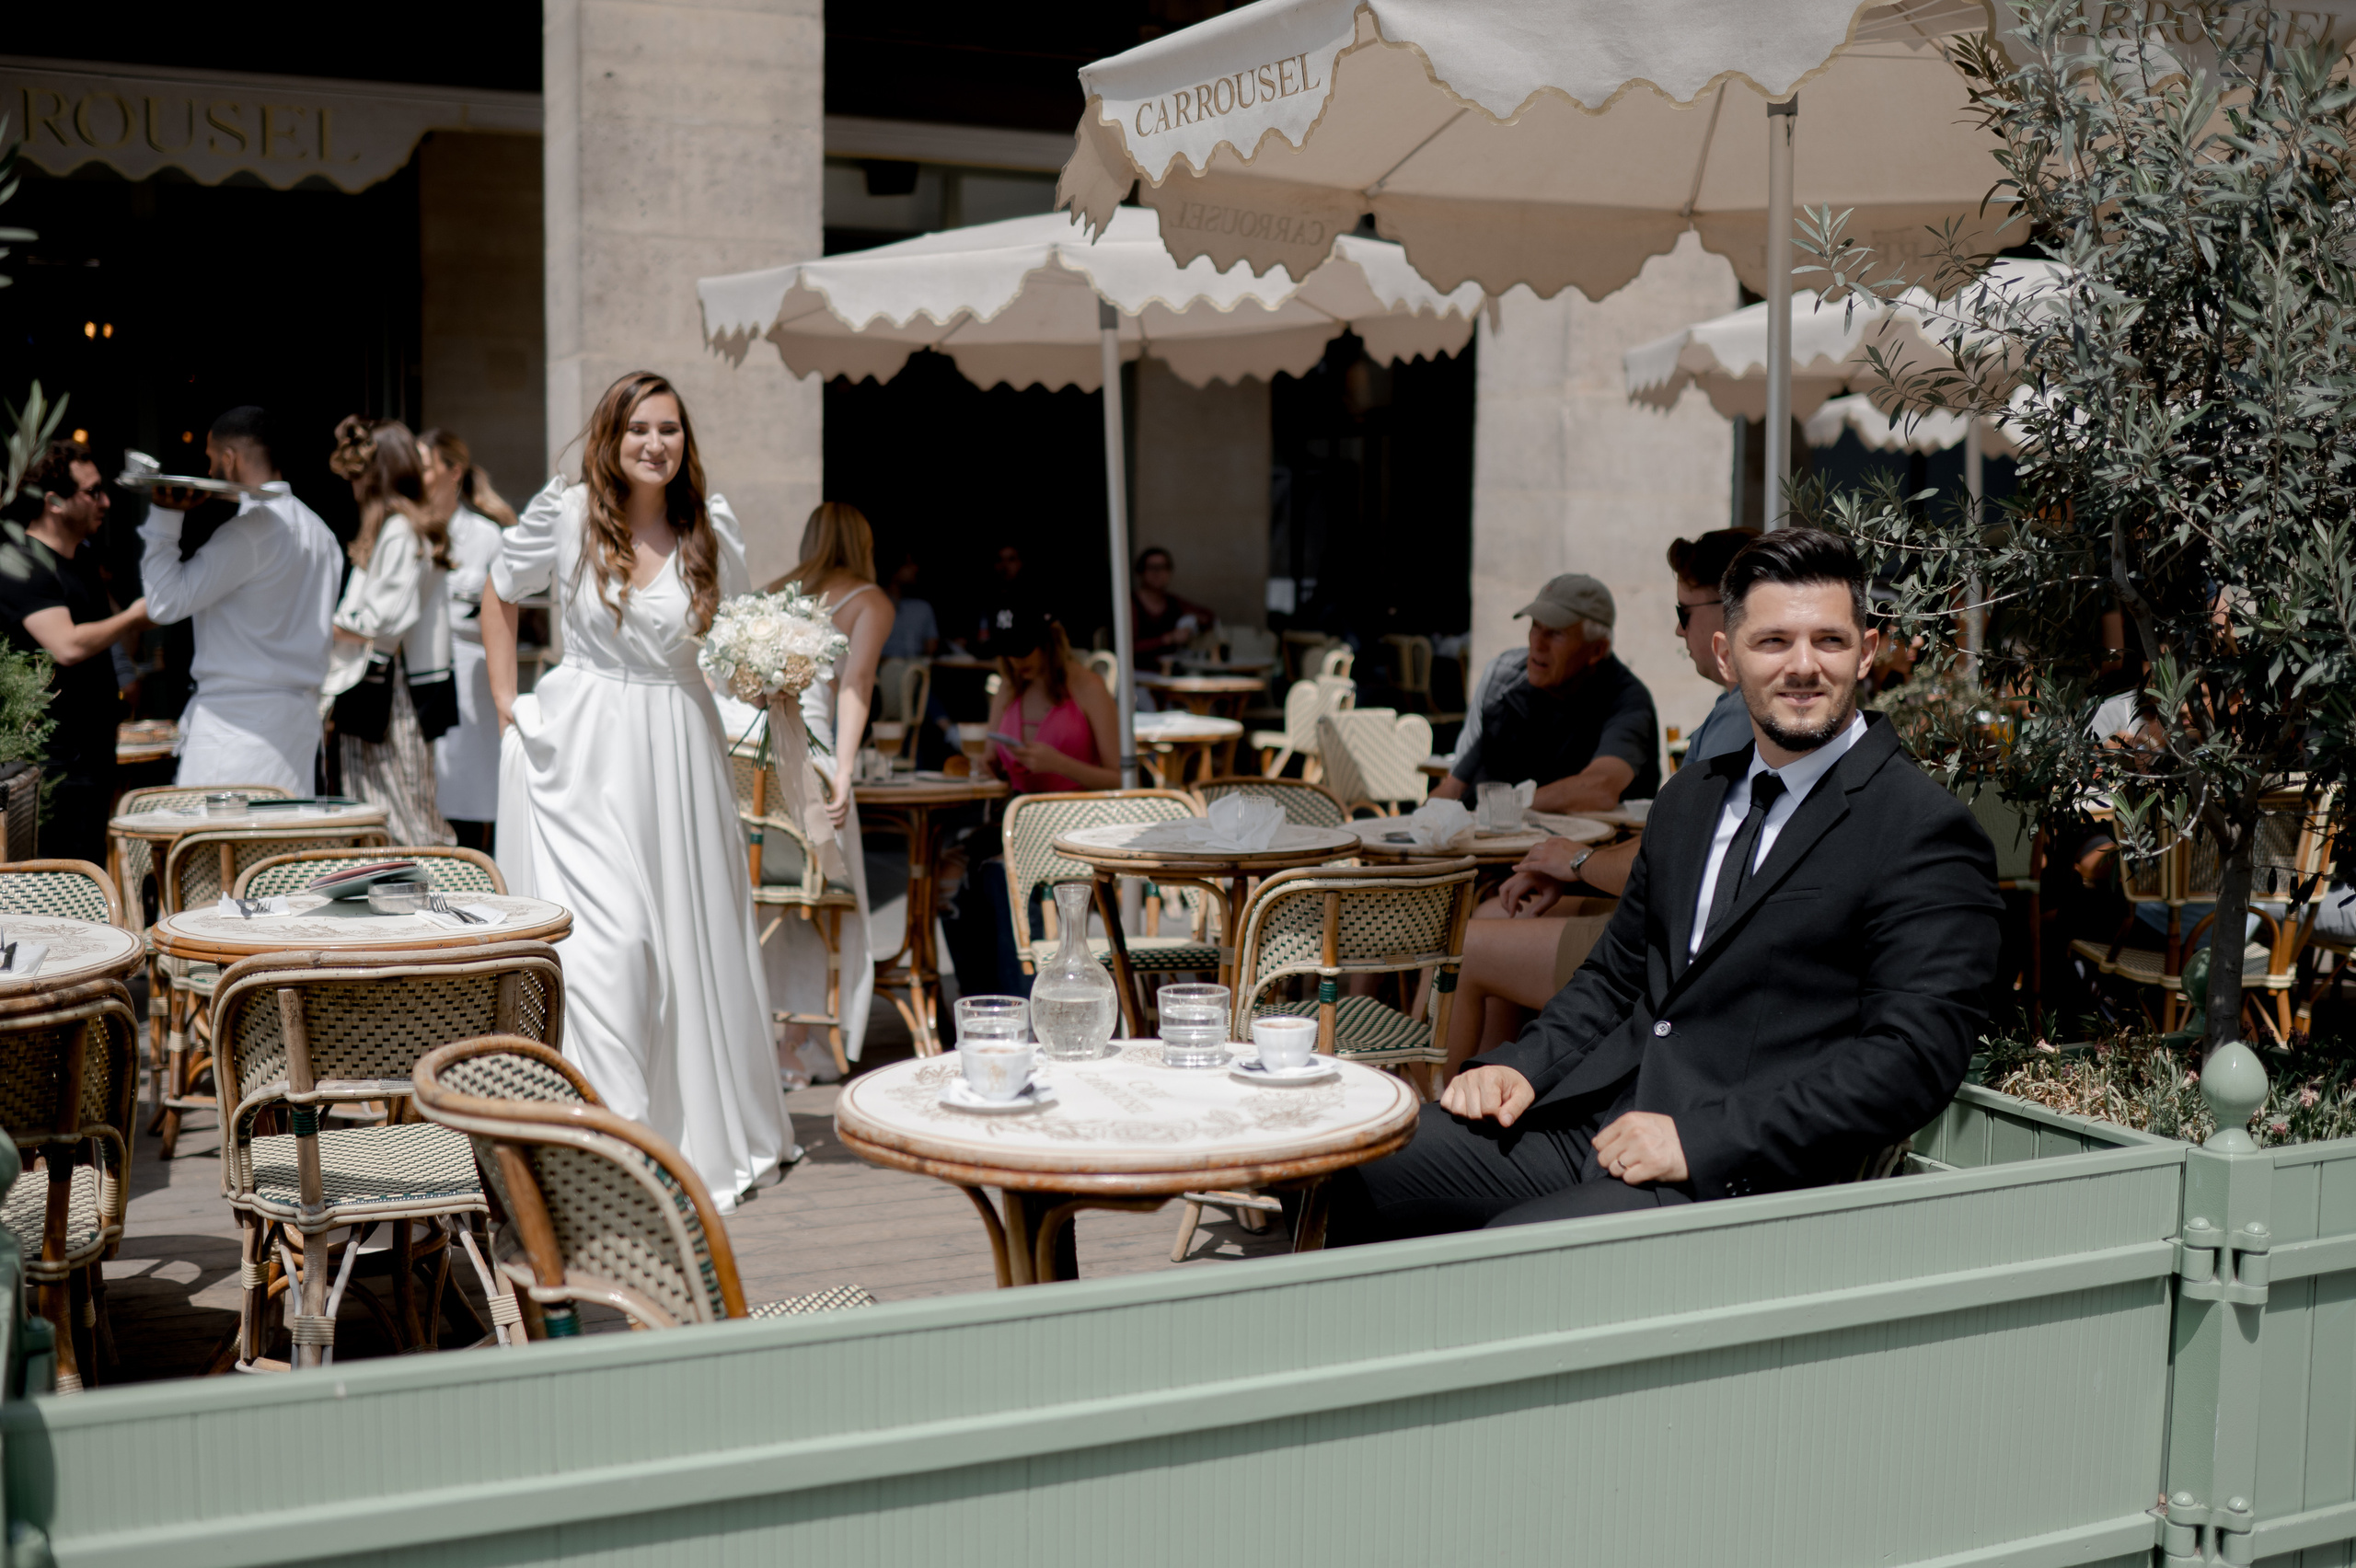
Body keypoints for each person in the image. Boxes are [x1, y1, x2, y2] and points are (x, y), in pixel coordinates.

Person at [1330, 529, 2001, 1240]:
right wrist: (1522, 1066)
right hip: (1595, 1122)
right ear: (1725, 653)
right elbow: (1615, 979)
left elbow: (1911, 1060)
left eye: (1828, 642)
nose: (1803, 666)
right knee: (1345, 1163)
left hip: (1738, 1172)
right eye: (1773, 642)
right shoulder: (1690, 800)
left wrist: (1701, 1139)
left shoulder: (1921, 828)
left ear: (1865, 652)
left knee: (1511, 1255)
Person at [481, 369, 793, 1211]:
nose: (656, 444)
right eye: (639, 430)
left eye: (671, 430)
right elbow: (500, 591)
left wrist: (775, 671)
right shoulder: (570, 514)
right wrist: (507, 703)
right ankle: (616, 1143)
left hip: (681, 757)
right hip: (583, 756)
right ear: (611, 439)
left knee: (686, 949)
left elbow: (733, 648)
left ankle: (683, 1133)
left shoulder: (709, 531)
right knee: (611, 952)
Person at [1438, 530, 1759, 1071]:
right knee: (1494, 915)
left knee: (1466, 945)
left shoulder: (1734, 715)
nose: (1678, 629)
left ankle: (1439, 1125)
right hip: (1680, 931)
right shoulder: (1508, 685)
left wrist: (1580, 863)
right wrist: (1569, 868)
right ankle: (1484, 1094)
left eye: (1683, 612)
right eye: (1534, 627)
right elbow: (1678, 841)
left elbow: (1669, 854)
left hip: (1673, 953)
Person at [140, 406, 340, 793]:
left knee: (219, 852)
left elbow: (164, 603)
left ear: (229, 459)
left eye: (212, 461)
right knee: (280, 850)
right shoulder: (321, 533)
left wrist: (164, 518)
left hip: (236, 731)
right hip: (295, 724)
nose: (211, 472)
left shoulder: (252, 530)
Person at [761, 502, 894, 1082]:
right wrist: (843, 770)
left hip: (753, 764)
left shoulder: (773, 593)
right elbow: (856, 684)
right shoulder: (869, 601)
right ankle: (804, 1037)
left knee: (766, 899)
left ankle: (769, 1034)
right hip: (809, 764)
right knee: (828, 901)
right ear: (864, 543)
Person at [0, 440, 148, 863]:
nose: (105, 502)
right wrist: (135, 617)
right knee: (55, 883)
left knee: (90, 873)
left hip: (95, 755)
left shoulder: (83, 559)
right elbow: (66, 645)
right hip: (48, 767)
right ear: (54, 502)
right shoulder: (21, 564)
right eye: (93, 492)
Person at [324, 419, 456, 847]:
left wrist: (318, 627)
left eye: (359, 473)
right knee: (388, 817)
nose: (353, 485)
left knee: (406, 820)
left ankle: (446, 902)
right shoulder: (393, 529)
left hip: (389, 693)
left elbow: (379, 621)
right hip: (381, 691)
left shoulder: (401, 531)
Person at [1434, 573, 1660, 814]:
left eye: (1555, 634)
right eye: (1535, 627)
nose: (1538, 644)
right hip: (1489, 840)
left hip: (1583, 848)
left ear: (1597, 649)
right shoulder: (1504, 678)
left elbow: (1599, 789)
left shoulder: (1627, 700)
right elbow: (1454, 788)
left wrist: (1500, 810)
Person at [419, 428, 517, 852]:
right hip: (421, 679)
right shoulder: (408, 530)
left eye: (425, 466)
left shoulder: (485, 536)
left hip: (472, 679)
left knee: (472, 800)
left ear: (453, 471)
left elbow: (506, 617)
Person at [978, 603, 1120, 793]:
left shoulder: (1089, 687)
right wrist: (986, 766)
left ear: (1049, 643)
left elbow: (1122, 780)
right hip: (1016, 812)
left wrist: (1061, 765)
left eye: (1022, 649)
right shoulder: (1009, 686)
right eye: (1007, 651)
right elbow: (990, 758)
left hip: (1075, 814)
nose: (1015, 660)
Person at [1131, 546, 1216, 661]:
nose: (1158, 573)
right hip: (1138, 671)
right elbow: (1129, 647)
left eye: (1163, 568)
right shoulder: (1132, 604)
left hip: (1170, 670)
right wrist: (1168, 639)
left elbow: (1208, 616)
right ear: (1141, 571)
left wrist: (1192, 622)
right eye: (1152, 568)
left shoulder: (1172, 602)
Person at [878, 548, 939, 660]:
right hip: (880, 670)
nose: (915, 569)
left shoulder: (922, 608)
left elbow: (931, 649)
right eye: (908, 564)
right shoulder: (874, 605)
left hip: (915, 669)